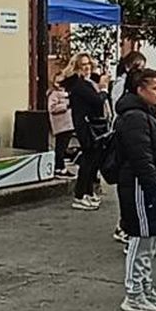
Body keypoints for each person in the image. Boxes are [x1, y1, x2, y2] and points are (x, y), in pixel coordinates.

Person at [114, 67, 156, 311]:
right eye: (155, 88)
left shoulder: (146, 115)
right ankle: (134, 293)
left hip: (150, 182)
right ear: (140, 89)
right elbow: (141, 156)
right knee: (141, 239)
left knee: (151, 241)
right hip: (139, 184)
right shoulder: (134, 118)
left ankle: (146, 287)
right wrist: (154, 188)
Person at [62, 53, 107, 209]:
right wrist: (103, 90)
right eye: (83, 65)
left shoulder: (85, 83)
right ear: (76, 67)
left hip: (88, 125)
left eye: (88, 64)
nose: (87, 67)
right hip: (87, 127)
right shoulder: (80, 85)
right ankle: (80, 195)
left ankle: (87, 192)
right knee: (88, 161)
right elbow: (97, 101)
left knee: (92, 161)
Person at [47, 75, 75, 175]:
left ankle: (60, 165)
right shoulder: (54, 94)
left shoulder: (67, 93)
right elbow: (52, 108)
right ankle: (59, 167)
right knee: (61, 146)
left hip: (68, 124)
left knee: (64, 146)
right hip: (60, 125)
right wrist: (65, 106)